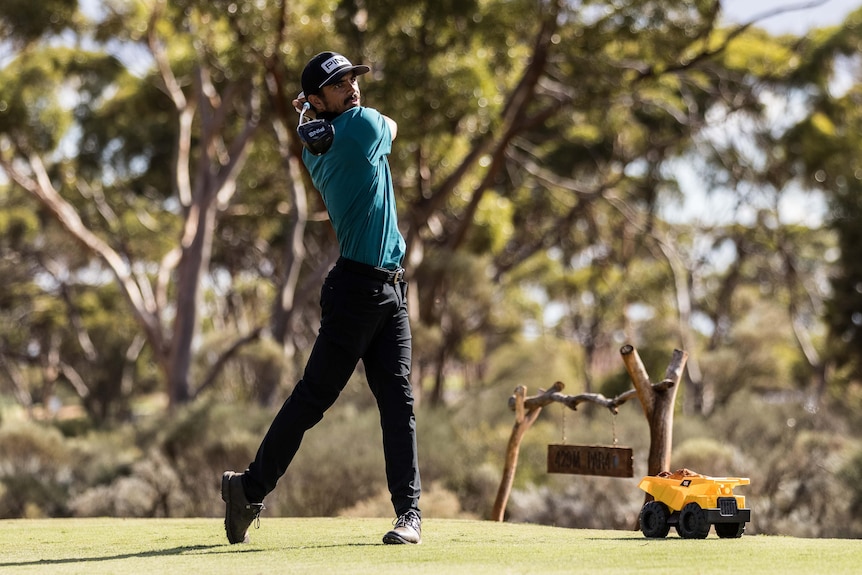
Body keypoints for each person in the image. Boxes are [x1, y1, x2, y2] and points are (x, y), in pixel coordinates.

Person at [221, 51, 422, 546]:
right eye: (338, 84)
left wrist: (311, 113)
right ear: (316, 98)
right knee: (314, 399)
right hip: (357, 290)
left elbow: (318, 129)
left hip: (390, 290)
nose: (352, 87)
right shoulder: (361, 131)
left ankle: (409, 514)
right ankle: (248, 487)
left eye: (352, 78)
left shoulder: (317, 143)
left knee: (398, 403)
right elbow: (391, 126)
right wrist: (314, 113)